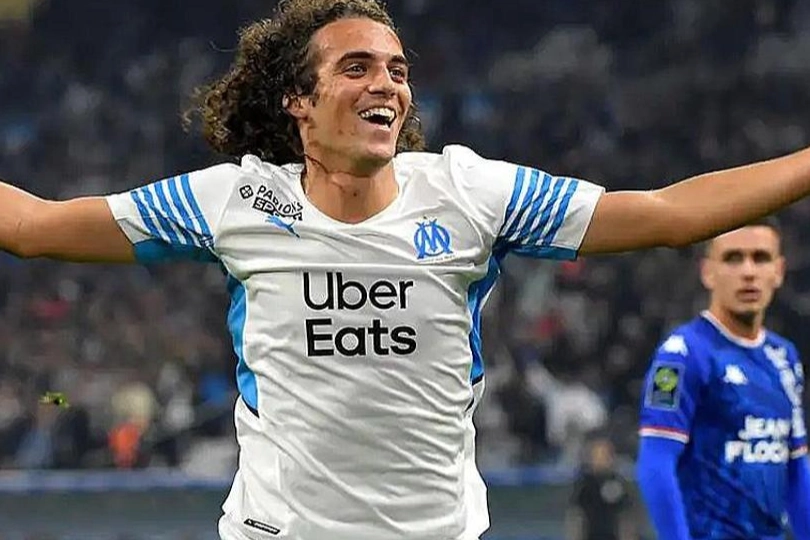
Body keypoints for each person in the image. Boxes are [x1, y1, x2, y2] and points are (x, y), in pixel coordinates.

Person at [4, 0, 810, 538]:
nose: (385, 83)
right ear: (298, 99)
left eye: (396, 69)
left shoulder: (470, 193)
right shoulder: (236, 201)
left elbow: (668, 214)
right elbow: (35, 228)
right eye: (355, 67)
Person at [636, 220, 810, 540]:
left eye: (760, 258)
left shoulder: (784, 356)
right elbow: (655, 463)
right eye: (733, 258)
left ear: (779, 271)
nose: (748, 272)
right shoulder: (682, 355)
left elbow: (796, 467)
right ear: (708, 272)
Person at [566, 433, 637, 540]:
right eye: (597, 455)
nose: (601, 459)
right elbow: (576, 516)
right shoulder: (583, 485)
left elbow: (626, 518)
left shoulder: (619, 483)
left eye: (605, 455)